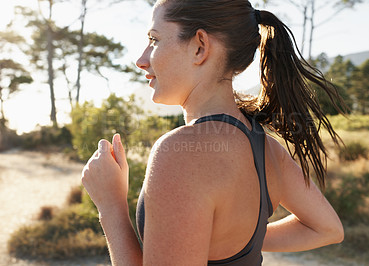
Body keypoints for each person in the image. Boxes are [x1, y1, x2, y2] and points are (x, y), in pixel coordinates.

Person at [81, 0, 344, 265]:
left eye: (154, 40)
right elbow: (327, 228)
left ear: (199, 47)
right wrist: (231, 237)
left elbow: (328, 230)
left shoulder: (181, 154)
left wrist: (111, 208)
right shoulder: (267, 148)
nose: (141, 60)